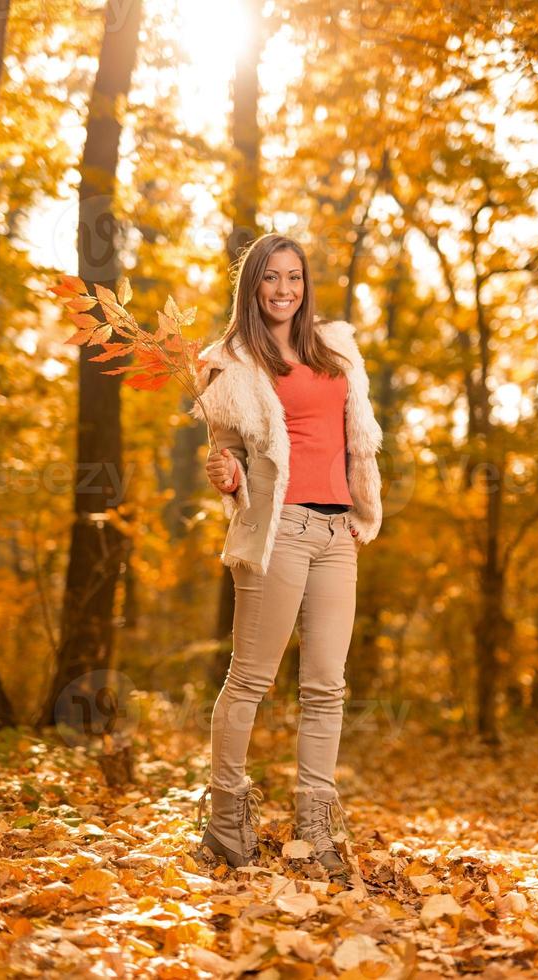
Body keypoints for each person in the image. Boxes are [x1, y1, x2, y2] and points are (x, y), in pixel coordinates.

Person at [191, 232, 383, 876]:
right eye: (271, 277)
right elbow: (231, 455)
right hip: (278, 530)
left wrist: (360, 509)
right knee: (250, 679)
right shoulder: (230, 363)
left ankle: (316, 828)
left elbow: (356, 438)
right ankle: (225, 822)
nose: (283, 289)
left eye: (294, 277)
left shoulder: (336, 348)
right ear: (253, 286)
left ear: (306, 284)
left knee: (327, 686)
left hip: (337, 535)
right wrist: (225, 472)